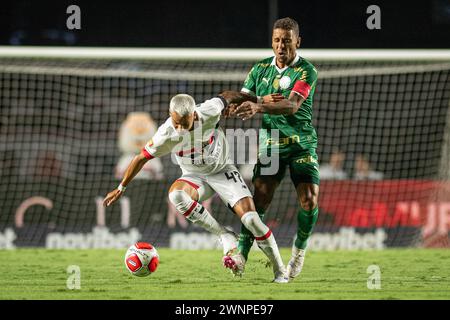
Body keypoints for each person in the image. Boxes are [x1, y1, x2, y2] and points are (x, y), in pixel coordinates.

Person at [103, 92, 289, 283]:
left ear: (194, 114)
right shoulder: (165, 134)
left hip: (223, 171)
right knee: (176, 196)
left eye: (185, 123)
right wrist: (121, 188)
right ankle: (224, 235)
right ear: (170, 114)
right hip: (195, 177)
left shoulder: (209, 110)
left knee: (252, 221)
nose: (181, 129)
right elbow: (140, 158)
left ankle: (280, 271)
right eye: (176, 123)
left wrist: (259, 101)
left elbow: (229, 95)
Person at [231, 17, 320, 280]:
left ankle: (298, 254)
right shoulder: (259, 69)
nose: (281, 46)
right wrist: (231, 103)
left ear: (298, 42)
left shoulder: (306, 71)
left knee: (309, 200)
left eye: (287, 41)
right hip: (271, 146)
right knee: (259, 201)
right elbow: (244, 98)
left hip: (301, 145)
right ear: (272, 41)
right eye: (277, 40)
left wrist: (258, 105)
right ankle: (240, 255)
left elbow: (292, 105)